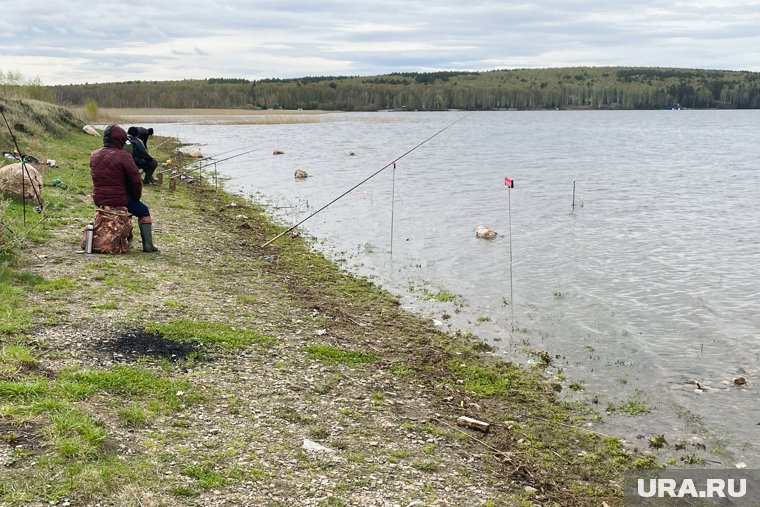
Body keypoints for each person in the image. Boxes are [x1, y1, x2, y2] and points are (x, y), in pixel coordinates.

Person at [90, 125, 159, 252]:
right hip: (121, 199)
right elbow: (136, 181)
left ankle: (125, 236)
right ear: (120, 139)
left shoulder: (94, 155)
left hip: (100, 199)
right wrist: (135, 197)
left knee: (131, 206)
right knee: (143, 211)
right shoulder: (125, 156)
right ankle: (148, 246)